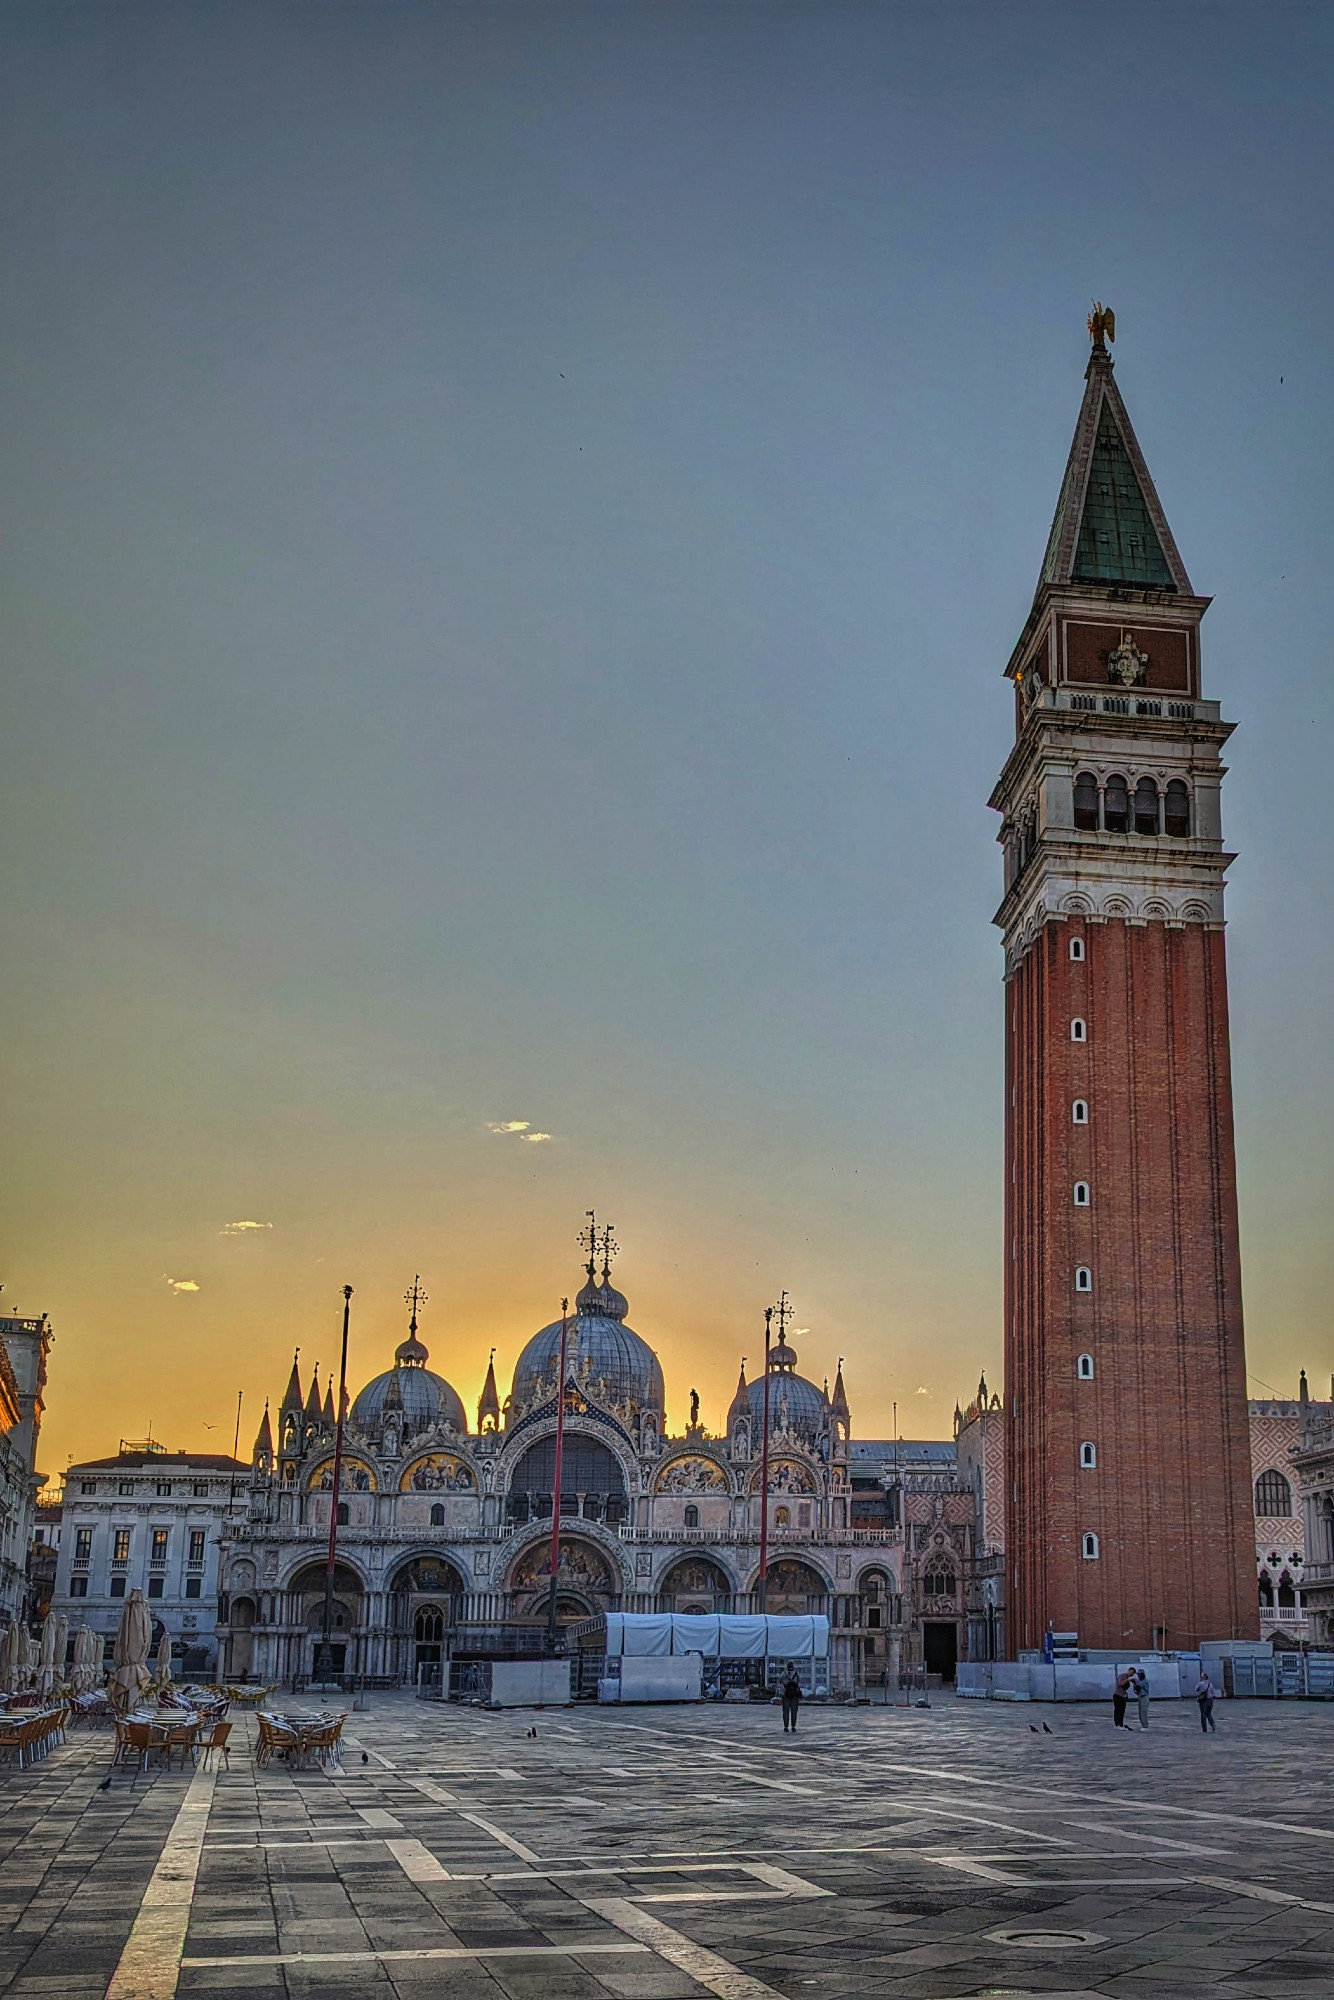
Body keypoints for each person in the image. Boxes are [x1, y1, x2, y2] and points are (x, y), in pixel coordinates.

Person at [780, 1666, 802, 1734]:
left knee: (785, 1711)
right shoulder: (797, 1674)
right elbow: (799, 1682)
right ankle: (793, 1726)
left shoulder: (783, 1674)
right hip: (795, 1695)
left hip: (785, 1694)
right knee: (794, 1711)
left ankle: (786, 1727)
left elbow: (780, 1682)